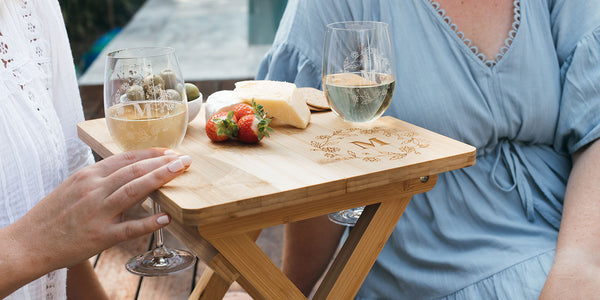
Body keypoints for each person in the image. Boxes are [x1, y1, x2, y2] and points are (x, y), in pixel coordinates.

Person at [256, 0, 600, 298]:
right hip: (433, 254)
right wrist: (290, 288)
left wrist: (578, 263)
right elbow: (313, 147)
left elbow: (595, 130)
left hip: (578, 226)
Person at [0, 1, 192, 299]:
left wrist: (54, 236)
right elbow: (49, 236)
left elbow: (63, 237)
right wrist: (27, 245)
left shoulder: (31, 8)